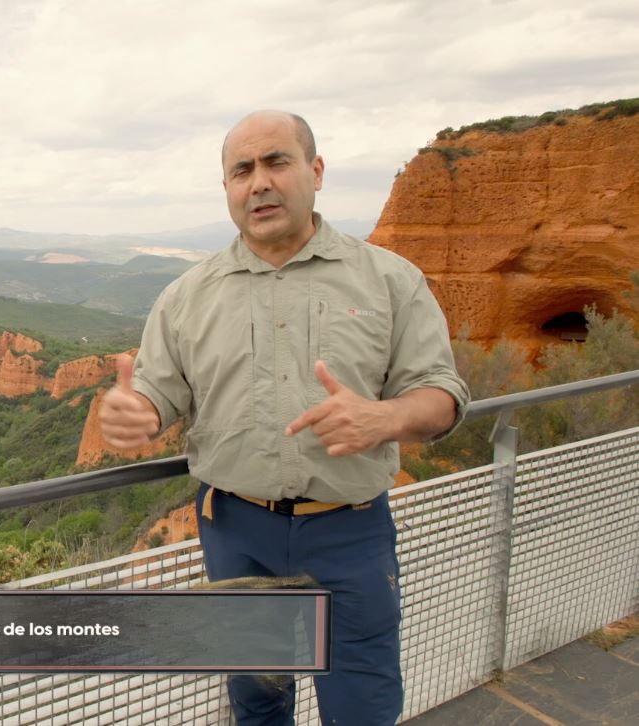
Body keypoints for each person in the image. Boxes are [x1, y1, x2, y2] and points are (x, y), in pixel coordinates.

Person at [99, 110, 469, 725]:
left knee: (363, 700)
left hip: (350, 532)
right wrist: (134, 413)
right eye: (241, 170)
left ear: (315, 171)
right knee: (256, 700)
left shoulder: (389, 281)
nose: (259, 182)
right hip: (236, 531)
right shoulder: (186, 297)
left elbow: (442, 394)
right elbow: (158, 395)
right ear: (227, 189)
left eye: (277, 161)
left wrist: (386, 418)